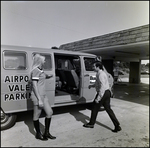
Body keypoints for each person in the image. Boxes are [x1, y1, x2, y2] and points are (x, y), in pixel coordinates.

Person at [83, 61, 121, 133]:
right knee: (108, 109)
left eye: (93, 66)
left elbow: (102, 87)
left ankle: (91, 124)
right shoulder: (100, 73)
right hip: (107, 93)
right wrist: (92, 85)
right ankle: (117, 126)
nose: (92, 67)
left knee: (94, 107)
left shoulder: (100, 75)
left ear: (98, 67)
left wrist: (98, 98)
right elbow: (100, 83)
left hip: (103, 93)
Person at [30, 53, 56, 140]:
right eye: (44, 60)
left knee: (50, 112)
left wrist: (48, 76)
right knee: (36, 115)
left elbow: (42, 76)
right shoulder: (35, 70)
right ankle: (38, 133)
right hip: (38, 96)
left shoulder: (41, 70)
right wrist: (39, 100)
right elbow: (34, 85)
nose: (45, 61)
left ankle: (46, 132)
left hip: (43, 95)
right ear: (40, 61)